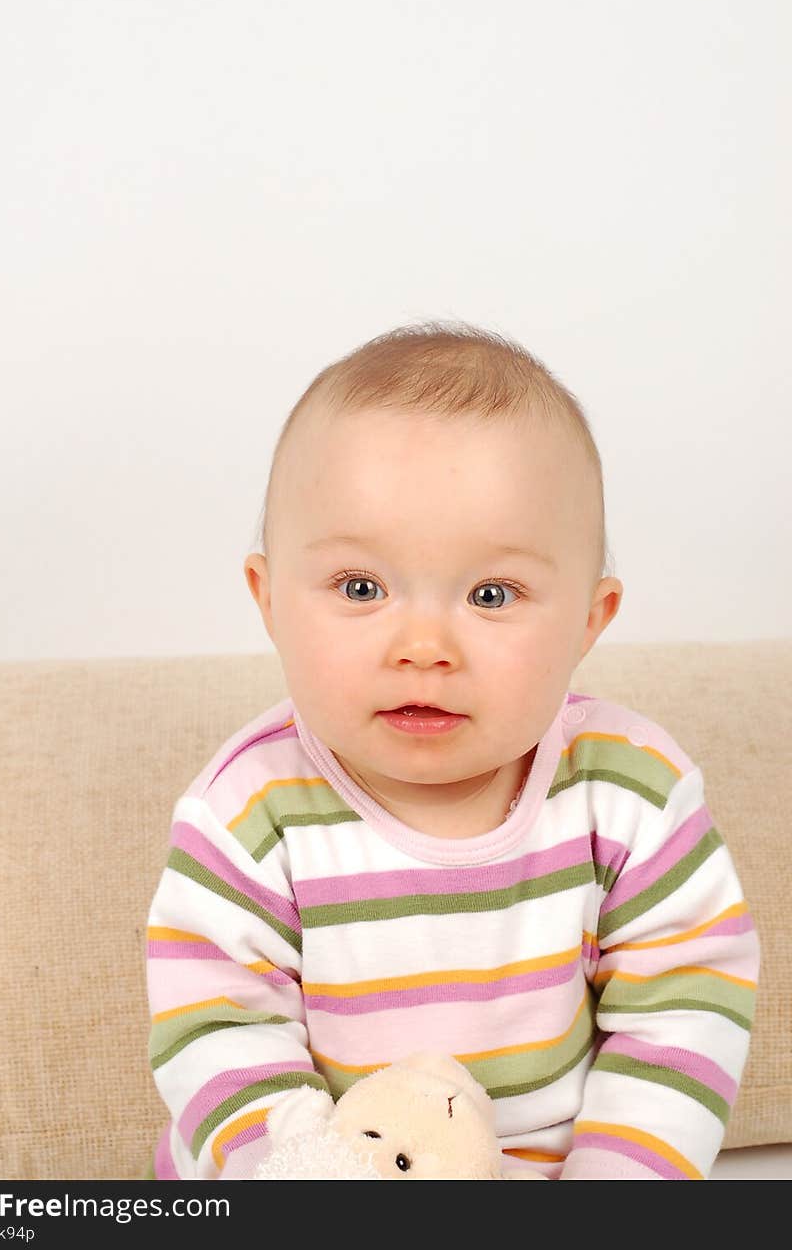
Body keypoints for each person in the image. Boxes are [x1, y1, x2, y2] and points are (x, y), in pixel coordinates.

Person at [144, 321, 759, 1180]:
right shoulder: (247, 813)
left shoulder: (629, 796)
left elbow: (685, 1006)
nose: (424, 644)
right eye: (361, 587)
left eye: (491, 593)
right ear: (270, 597)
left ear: (590, 618)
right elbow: (218, 1030)